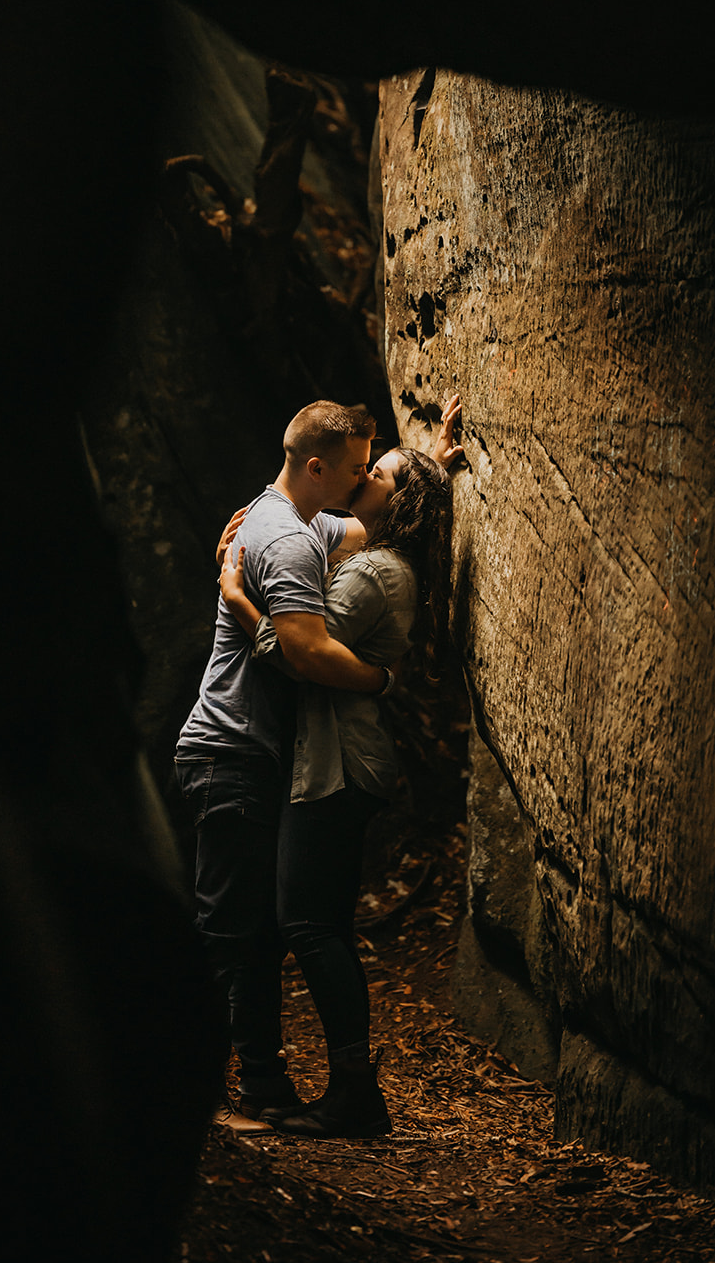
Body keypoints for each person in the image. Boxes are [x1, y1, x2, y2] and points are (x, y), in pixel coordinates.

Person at [219, 443, 455, 1137]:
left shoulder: (376, 572)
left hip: (337, 766)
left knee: (309, 925)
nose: (363, 475)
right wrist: (434, 459)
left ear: (398, 502)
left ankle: (355, 1093)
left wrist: (237, 599)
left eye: (376, 472)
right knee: (315, 923)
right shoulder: (384, 560)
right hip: (339, 762)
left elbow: (298, 654)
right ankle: (348, 1088)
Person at [174, 400, 394, 1131]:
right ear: (316, 467)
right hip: (230, 749)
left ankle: (262, 1087)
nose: (364, 478)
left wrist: (434, 455)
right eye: (356, 468)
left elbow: (378, 518)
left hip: (252, 752)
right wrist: (382, 679)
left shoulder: (301, 521)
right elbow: (304, 653)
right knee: (231, 931)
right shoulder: (288, 540)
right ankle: (208, 1093)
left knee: (258, 931)